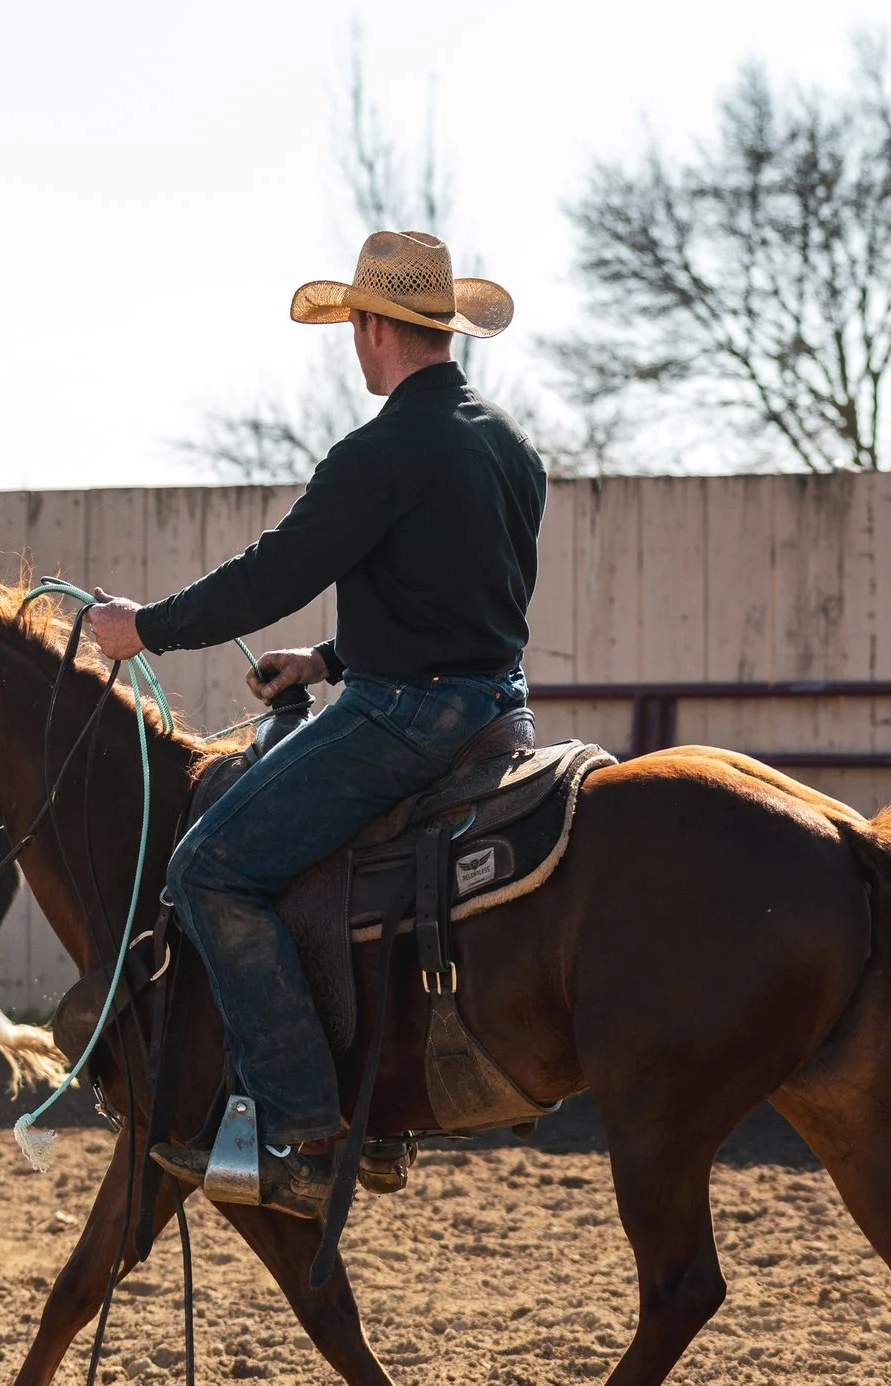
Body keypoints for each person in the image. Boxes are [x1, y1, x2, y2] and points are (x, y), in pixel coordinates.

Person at [86, 230, 546, 1217]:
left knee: (208, 869)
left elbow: (272, 574)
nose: (352, 342)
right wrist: (329, 663)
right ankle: (379, 1116)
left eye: (353, 326)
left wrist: (143, 630)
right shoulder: (508, 447)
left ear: (375, 327)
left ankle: (301, 1130)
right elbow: (466, 601)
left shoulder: (381, 452)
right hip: (495, 708)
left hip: (404, 716)